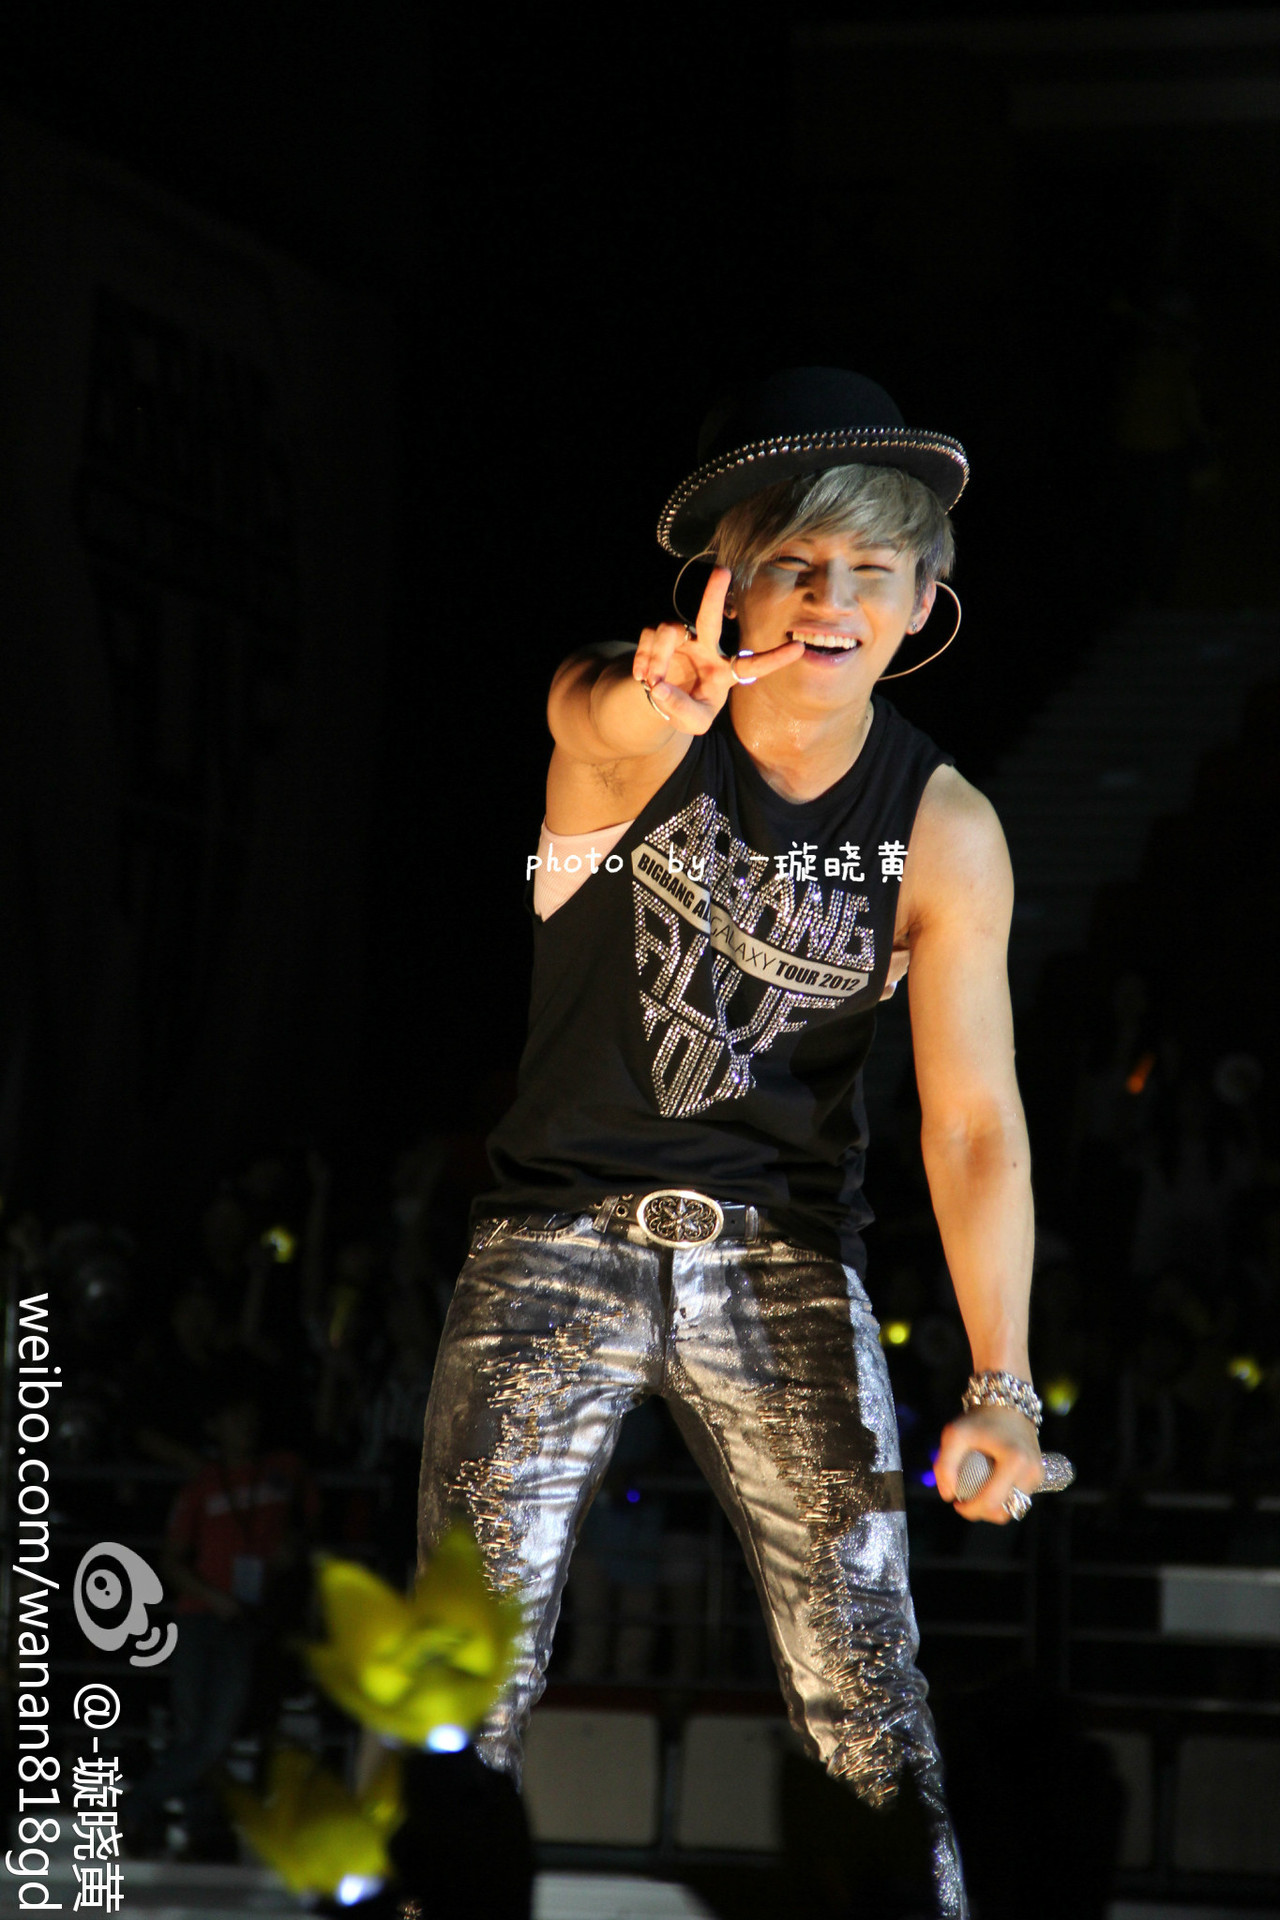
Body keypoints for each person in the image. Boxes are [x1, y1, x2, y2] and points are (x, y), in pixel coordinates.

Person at [419, 368, 1046, 1916]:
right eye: (795, 564)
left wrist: (1002, 1380)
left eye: (871, 570)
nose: (831, 601)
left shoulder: (945, 827)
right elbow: (586, 713)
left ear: (923, 602)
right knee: (456, 1680)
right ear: (730, 582)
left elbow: (972, 1123)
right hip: (553, 1248)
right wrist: (655, 694)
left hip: (785, 1262)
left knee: (869, 1691)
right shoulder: (635, 730)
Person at [124, 1376, 318, 1857]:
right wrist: (214, 1598)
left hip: (247, 1618)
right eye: (233, 1418)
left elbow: (309, 1523)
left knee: (214, 1734)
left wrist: (292, 1549)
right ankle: (199, 1825)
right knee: (196, 1732)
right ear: (216, 1426)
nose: (244, 1426)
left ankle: (143, 1806)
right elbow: (171, 1560)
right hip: (201, 1616)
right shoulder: (203, 1484)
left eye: (249, 1418)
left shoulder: (283, 1471)